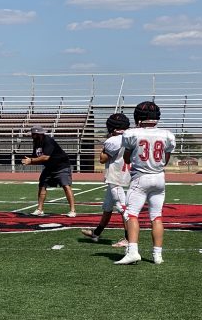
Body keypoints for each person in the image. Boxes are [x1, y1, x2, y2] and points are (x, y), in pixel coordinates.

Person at [115, 101, 175, 265]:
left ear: (138, 117)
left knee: (131, 214)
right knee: (156, 216)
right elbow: (165, 160)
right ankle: (157, 256)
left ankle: (133, 252)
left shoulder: (132, 133)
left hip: (140, 178)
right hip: (159, 178)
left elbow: (127, 159)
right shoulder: (167, 135)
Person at [81, 113, 131, 247]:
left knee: (123, 209)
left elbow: (102, 159)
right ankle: (96, 233)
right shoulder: (130, 137)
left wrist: (104, 145)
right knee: (108, 207)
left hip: (116, 177)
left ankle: (129, 239)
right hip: (124, 174)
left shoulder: (112, 141)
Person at [21, 125, 77, 217]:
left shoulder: (48, 141)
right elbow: (37, 157)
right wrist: (29, 160)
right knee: (42, 185)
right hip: (49, 167)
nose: (32, 136)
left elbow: (46, 157)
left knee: (66, 186)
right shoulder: (36, 142)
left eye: (33, 134)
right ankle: (39, 209)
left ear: (38, 134)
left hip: (61, 166)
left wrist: (31, 160)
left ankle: (72, 210)